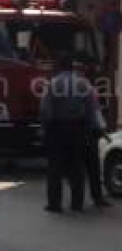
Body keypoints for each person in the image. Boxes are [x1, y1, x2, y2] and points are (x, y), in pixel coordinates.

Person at [40, 52, 97, 214]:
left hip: (57, 129)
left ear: (58, 66)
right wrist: (89, 128)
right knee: (76, 166)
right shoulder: (83, 84)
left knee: (55, 167)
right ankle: (77, 203)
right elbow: (91, 108)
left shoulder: (53, 84)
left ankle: (55, 204)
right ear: (72, 66)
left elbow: (45, 110)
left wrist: (45, 128)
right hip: (78, 128)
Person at [84, 93, 112, 208]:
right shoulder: (89, 92)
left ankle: (77, 201)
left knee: (76, 169)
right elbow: (97, 115)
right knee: (93, 169)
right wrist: (104, 134)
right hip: (90, 135)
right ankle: (97, 198)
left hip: (76, 135)